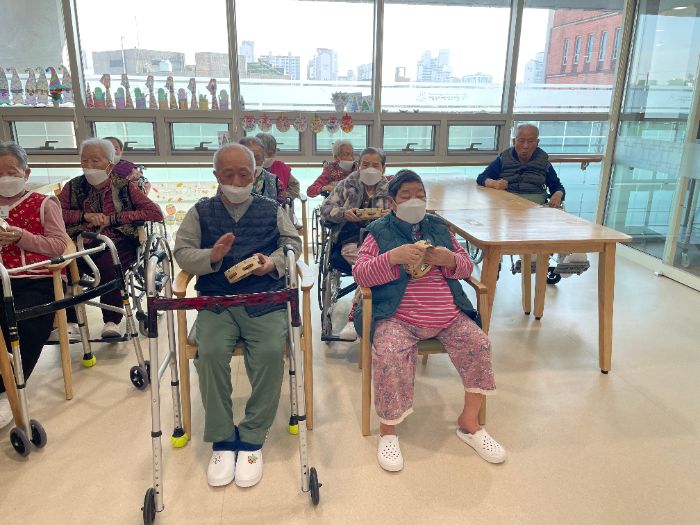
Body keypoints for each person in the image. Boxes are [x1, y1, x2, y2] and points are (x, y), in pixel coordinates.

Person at [353, 169, 506, 472]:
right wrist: (392, 257)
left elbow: (466, 265)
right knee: (388, 353)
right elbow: (361, 273)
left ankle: (469, 422)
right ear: (392, 202)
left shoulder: (438, 227)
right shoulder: (378, 231)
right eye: (406, 196)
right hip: (398, 317)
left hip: (447, 315)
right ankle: (388, 430)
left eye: (420, 195)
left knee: (479, 344)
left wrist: (448, 259)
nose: (415, 200)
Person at [173, 143, 302, 488]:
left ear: (255, 174)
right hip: (217, 301)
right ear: (215, 175)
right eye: (227, 174)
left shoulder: (271, 208)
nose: (236, 181)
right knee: (210, 353)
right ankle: (221, 437)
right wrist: (211, 256)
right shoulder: (201, 211)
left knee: (271, 353)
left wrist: (273, 262)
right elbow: (182, 251)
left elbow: (293, 244)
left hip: (264, 298)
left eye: (243, 174)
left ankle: (253, 435)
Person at [58, 138, 163, 339]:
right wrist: (84, 216)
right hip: (82, 241)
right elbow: (56, 212)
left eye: (95, 160)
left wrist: (113, 219)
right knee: (67, 265)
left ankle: (111, 320)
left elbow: (155, 212)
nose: (89, 166)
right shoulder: (73, 186)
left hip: (120, 240)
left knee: (110, 264)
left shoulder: (125, 187)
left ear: (110, 164)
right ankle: (71, 320)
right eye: (84, 161)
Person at [0, 141, 68, 430]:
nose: (4, 178)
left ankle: (9, 391)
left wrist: (21, 237)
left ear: (25, 173)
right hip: (2, 278)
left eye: (11, 171)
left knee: (25, 325)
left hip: (35, 279)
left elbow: (58, 245)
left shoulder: (43, 204)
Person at [477, 123, 587, 273]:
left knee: (561, 217)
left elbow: (557, 186)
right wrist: (494, 183)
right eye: (521, 141)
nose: (525, 146)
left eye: (530, 141)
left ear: (537, 142)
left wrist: (558, 194)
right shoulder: (503, 159)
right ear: (514, 141)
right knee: (516, 223)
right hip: (509, 206)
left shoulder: (543, 162)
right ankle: (531, 257)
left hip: (536, 206)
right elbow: (482, 178)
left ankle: (571, 255)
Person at [319, 147, 390, 341]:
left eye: (375, 165)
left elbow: (403, 216)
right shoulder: (346, 184)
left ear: (383, 168)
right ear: (358, 166)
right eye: (365, 164)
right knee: (369, 267)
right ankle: (356, 315)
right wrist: (343, 213)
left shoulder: (390, 189)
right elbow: (325, 209)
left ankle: (357, 315)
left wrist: (391, 215)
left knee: (371, 266)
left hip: (381, 240)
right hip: (351, 238)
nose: (369, 169)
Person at [255, 132, 300, 201]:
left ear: (275, 152)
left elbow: (295, 185)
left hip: (279, 205)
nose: (266, 157)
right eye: (263, 154)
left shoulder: (282, 167)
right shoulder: (250, 169)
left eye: (270, 154)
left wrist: (288, 195)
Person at [238, 136, 282, 203]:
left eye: (257, 158)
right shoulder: (229, 180)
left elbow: (281, 204)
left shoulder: (274, 181)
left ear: (263, 158)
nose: (252, 163)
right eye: (247, 158)